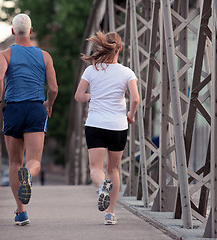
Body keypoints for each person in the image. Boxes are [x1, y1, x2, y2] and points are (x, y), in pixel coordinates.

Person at [0, 13, 58, 226]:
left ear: (12, 32)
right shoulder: (45, 56)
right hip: (35, 109)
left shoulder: (5, 54)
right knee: (34, 161)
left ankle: (21, 211)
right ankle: (28, 175)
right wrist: (48, 103)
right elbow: (54, 88)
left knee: (14, 162)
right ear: (31, 31)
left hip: (12, 110)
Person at [74, 31, 139, 225]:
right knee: (114, 169)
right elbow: (135, 99)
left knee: (96, 168)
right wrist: (131, 115)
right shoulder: (127, 72)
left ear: (103, 47)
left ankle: (102, 185)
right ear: (119, 48)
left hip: (95, 124)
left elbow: (78, 96)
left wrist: (91, 97)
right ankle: (110, 214)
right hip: (118, 125)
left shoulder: (91, 70)